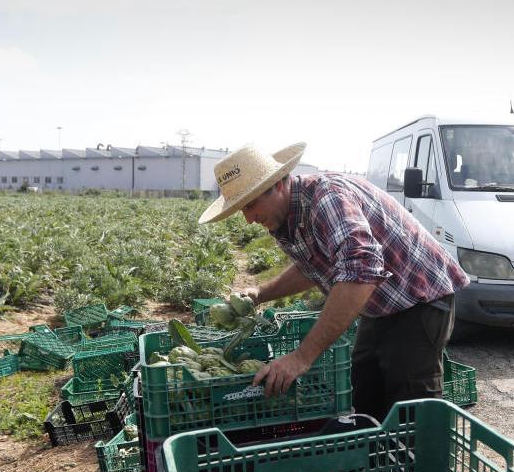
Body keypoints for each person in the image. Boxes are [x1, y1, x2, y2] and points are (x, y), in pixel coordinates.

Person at [198, 143, 470, 422]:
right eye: (242, 209)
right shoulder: (284, 218)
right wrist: (259, 293)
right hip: (380, 301)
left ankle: (418, 463)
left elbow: (362, 268)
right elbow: (311, 268)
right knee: (364, 390)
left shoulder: (326, 198)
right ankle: (379, 459)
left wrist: (302, 357)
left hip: (419, 294)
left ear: (278, 184)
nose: (249, 218)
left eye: (251, 204)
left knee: (411, 403)